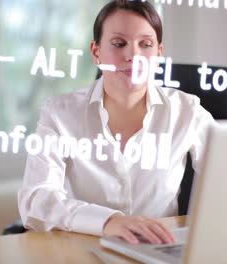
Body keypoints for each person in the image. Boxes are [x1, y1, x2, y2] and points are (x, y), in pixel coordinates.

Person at [18, 0, 215, 245]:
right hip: (79, 250)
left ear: (158, 54)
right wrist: (108, 221)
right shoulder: (59, 113)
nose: (133, 56)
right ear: (96, 51)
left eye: (146, 45)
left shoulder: (187, 111)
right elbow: (36, 199)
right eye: (119, 44)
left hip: (158, 252)